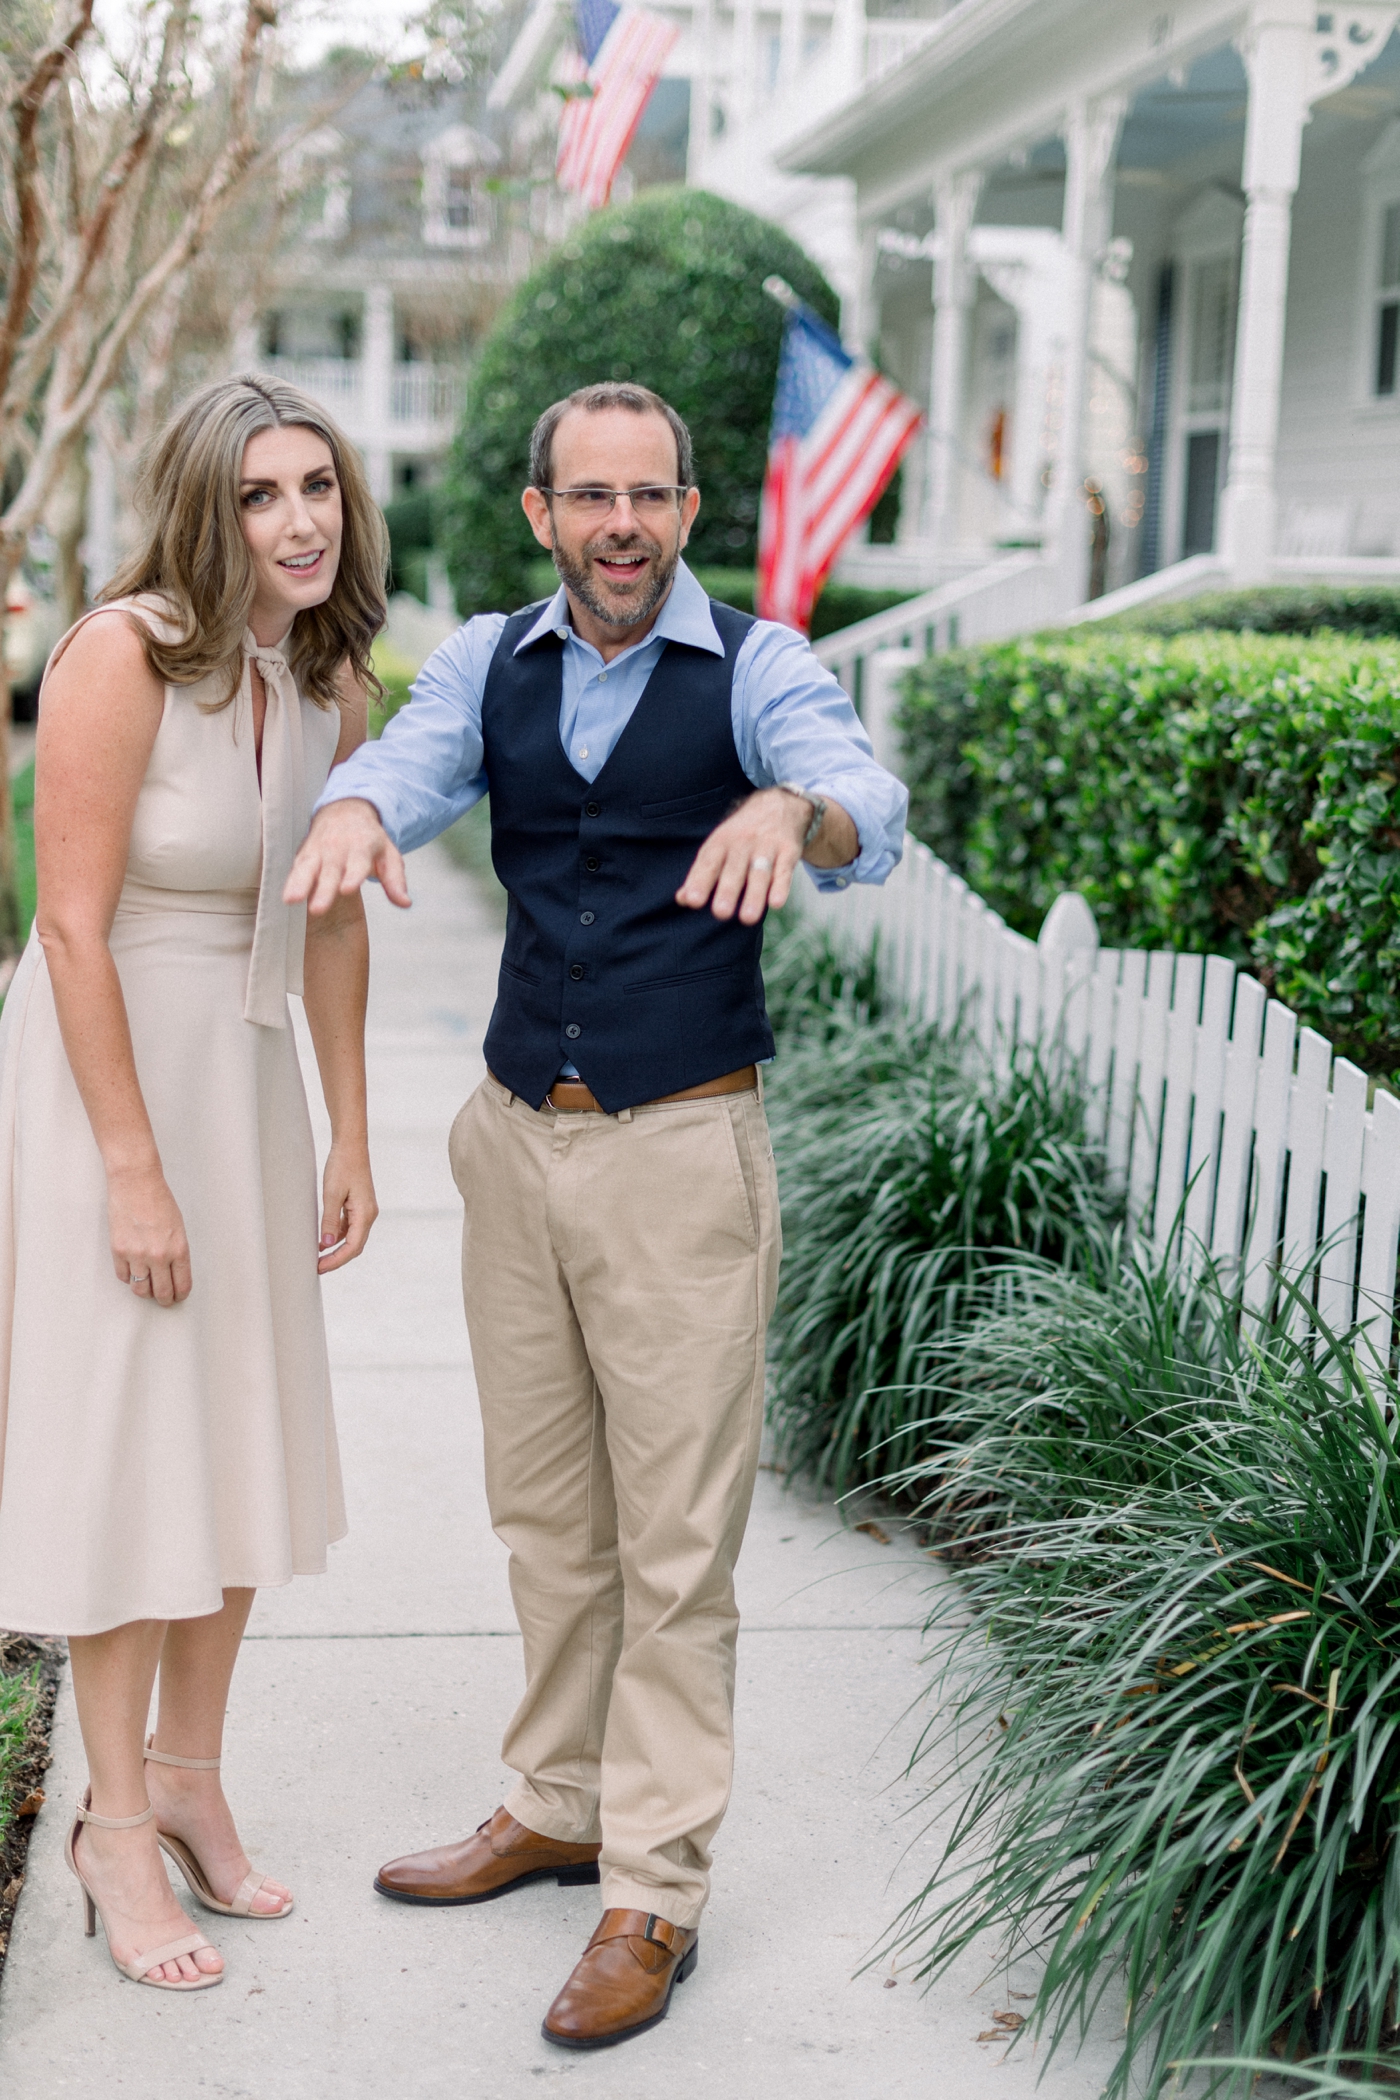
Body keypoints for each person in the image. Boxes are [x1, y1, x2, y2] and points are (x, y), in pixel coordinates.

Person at [286, 379, 907, 2049]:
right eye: (591, 497)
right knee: (547, 1514)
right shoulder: (488, 659)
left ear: (687, 512)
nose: (621, 525)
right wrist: (352, 807)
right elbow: (406, 768)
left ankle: (656, 1888)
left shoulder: (758, 668)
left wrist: (791, 810)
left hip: (682, 1153)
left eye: (650, 496)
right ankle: (559, 1803)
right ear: (541, 513)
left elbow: (866, 798)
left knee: (677, 1547)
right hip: (513, 1146)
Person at [0, 376, 383, 1991]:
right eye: (259, 494)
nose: (299, 520)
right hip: (114, 1086)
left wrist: (349, 1128)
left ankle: (190, 1782)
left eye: (318, 487)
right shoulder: (121, 654)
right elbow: (69, 926)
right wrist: (131, 1172)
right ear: (204, 510)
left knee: (235, 1438)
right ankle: (109, 1829)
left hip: (245, 1082)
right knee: (132, 1454)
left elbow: (331, 912)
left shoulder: (329, 682)